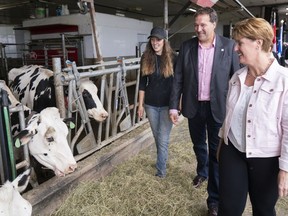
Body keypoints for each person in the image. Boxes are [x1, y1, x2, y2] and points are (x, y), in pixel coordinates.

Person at [169, 7, 240, 216]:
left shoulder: (229, 47)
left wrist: (236, 110)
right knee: (198, 144)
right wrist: (174, 105)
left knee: (217, 153)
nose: (198, 29)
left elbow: (237, 80)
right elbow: (178, 78)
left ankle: (214, 201)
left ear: (214, 24)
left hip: (218, 107)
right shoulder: (187, 46)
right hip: (194, 106)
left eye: (203, 25)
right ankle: (202, 171)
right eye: (196, 25)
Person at [217, 17, 288, 216]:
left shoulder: (284, 81)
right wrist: (222, 144)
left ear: (258, 43)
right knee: (228, 209)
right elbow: (229, 114)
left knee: (264, 210)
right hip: (233, 150)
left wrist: (285, 170)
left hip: (267, 158)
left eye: (240, 43)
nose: (235, 48)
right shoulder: (237, 77)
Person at [138, 26, 176, 178]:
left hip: (167, 105)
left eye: (158, 40)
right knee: (157, 137)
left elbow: (178, 84)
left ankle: (161, 172)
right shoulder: (146, 57)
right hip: (150, 105)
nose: (155, 43)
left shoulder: (174, 57)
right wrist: (140, 105)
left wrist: (177, 104)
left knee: (163, 139)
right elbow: (142, 84)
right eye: (153, 40)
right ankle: (162, 160)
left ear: (164, 41)